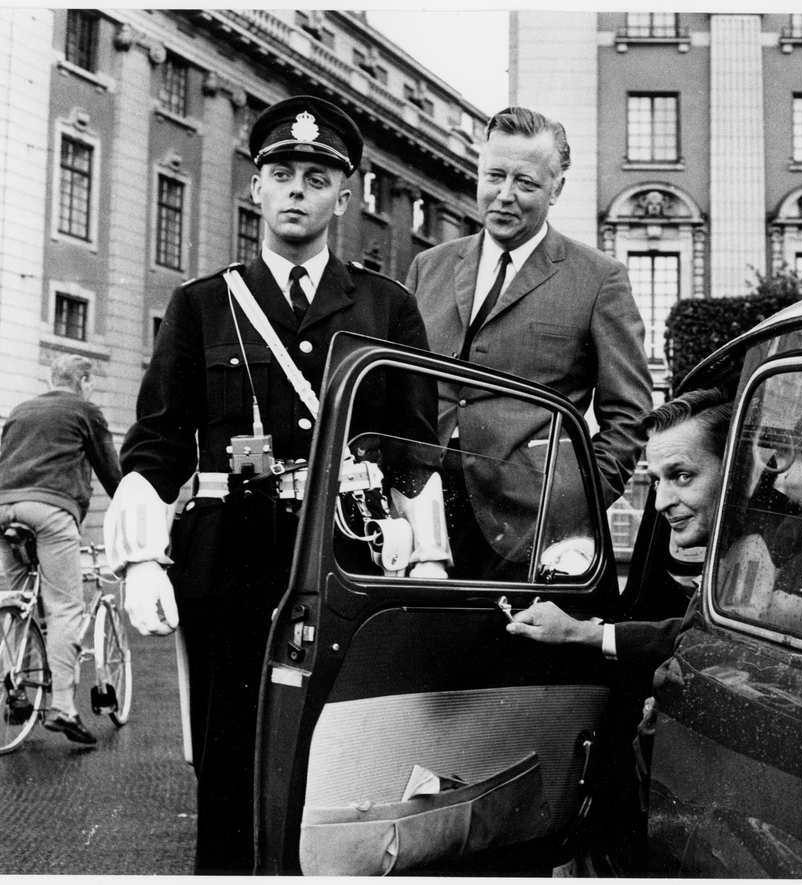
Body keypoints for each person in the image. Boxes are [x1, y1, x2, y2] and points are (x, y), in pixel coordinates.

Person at [103, 95, 450, 874]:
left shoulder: (386, 307)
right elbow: (158, 442)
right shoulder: (203, 304)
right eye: (283, 174)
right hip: (227, 562)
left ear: (344, 198)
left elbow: (413, 448)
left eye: (318, 178)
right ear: (256, 187)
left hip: (347, 561)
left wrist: (427, 557)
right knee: (229, 761)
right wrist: (141, 556)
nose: (298, 189)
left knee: (344, 763)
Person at [406, 106, 652, 575]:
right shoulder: (428, 267)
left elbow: (629, 415)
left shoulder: (599, 279)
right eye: (494, 177)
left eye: (525, 183)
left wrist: (573, 497)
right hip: (421, 516)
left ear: (556, 189)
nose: (505, 196)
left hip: (531, 529)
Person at [506, 388, 733, 672]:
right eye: (656, 482)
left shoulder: (753, 563)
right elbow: (689, 635)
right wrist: (581, 631)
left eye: (682, 476)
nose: (660, 503)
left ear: (737, 470)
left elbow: (700, 644)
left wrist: (580, 632)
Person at [0, 353, 122, 745]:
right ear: (84, 381)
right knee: (64, 607)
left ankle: (16, 692)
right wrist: (129, 509)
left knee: (21, 602)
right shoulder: (85, 410)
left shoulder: (21, 409)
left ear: (52, 379)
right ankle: (63, 707)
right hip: (48, 509)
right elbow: (110, 472)